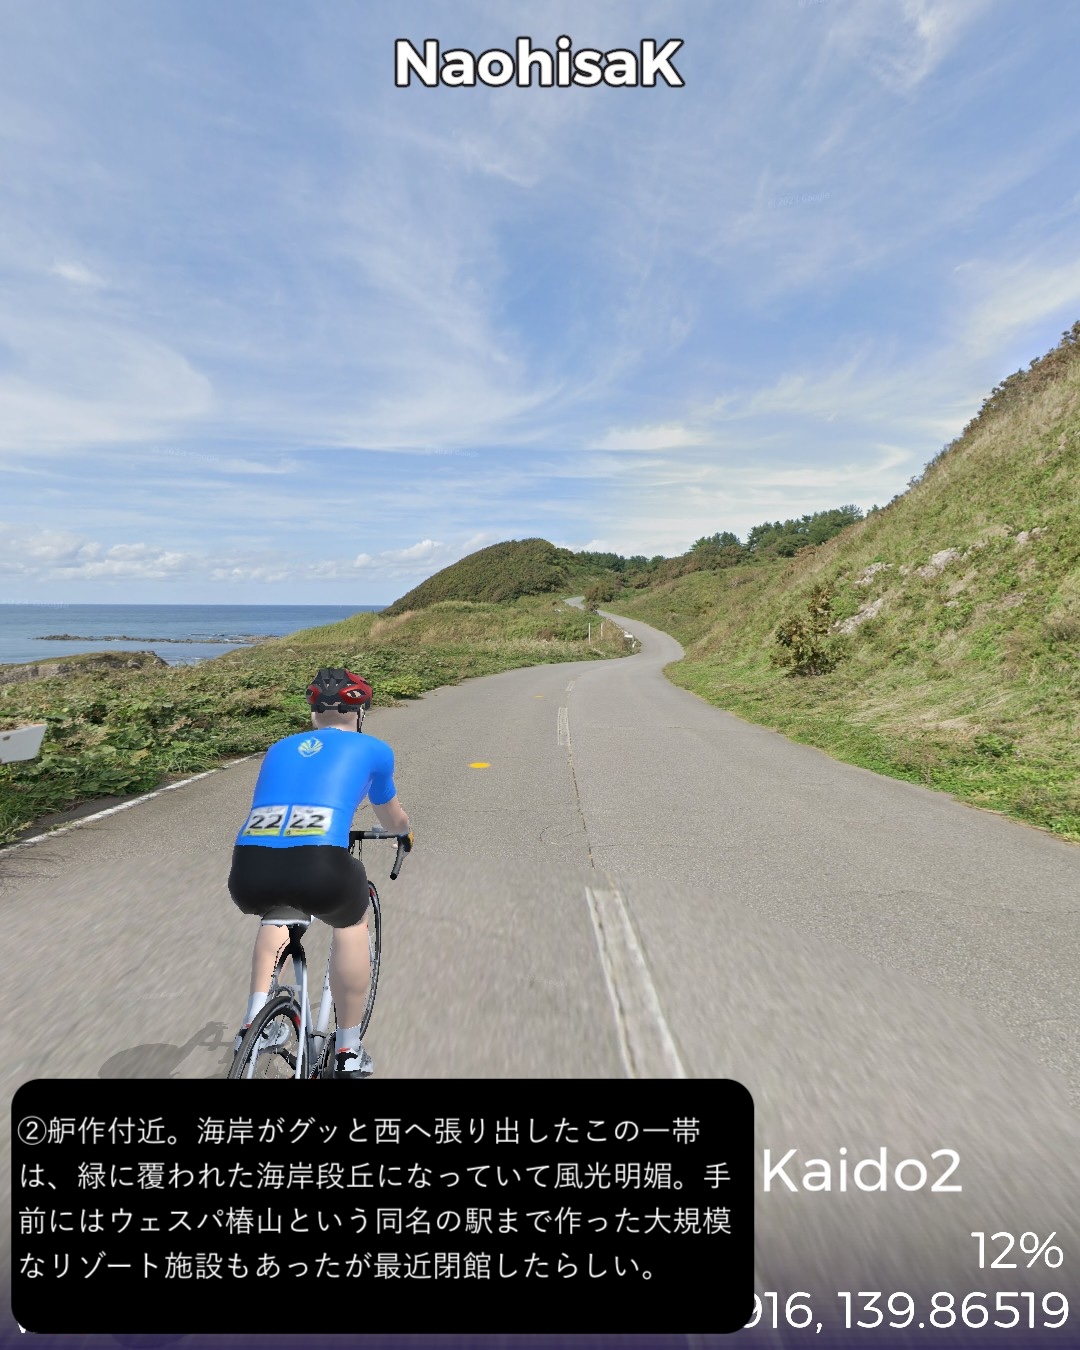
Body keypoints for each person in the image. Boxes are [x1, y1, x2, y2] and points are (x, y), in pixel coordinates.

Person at [227, 668, 413, 1078]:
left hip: (248, 867)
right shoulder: (374, 749)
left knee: (278, 913)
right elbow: (392, 816)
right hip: (320, 864)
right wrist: (404, 834)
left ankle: (253, 1022)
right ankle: (348, 1050)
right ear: (359, 712)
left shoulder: (279, 748)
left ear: (313, 713)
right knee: (351, 924)